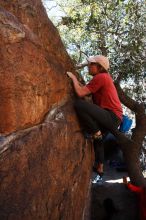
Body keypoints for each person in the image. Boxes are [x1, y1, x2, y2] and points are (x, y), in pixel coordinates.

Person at [67, 55, 125, 183]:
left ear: (99, 67)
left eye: (91, 64)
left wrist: (73, 79)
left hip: (111, 116)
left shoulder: (101, 77)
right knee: (97, 139)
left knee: (79, 104)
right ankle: (100, 166)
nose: (89, 66)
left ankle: (96, 131)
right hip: (111, 117)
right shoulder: (101, 78)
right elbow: (87, 91)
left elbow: (81, 93)